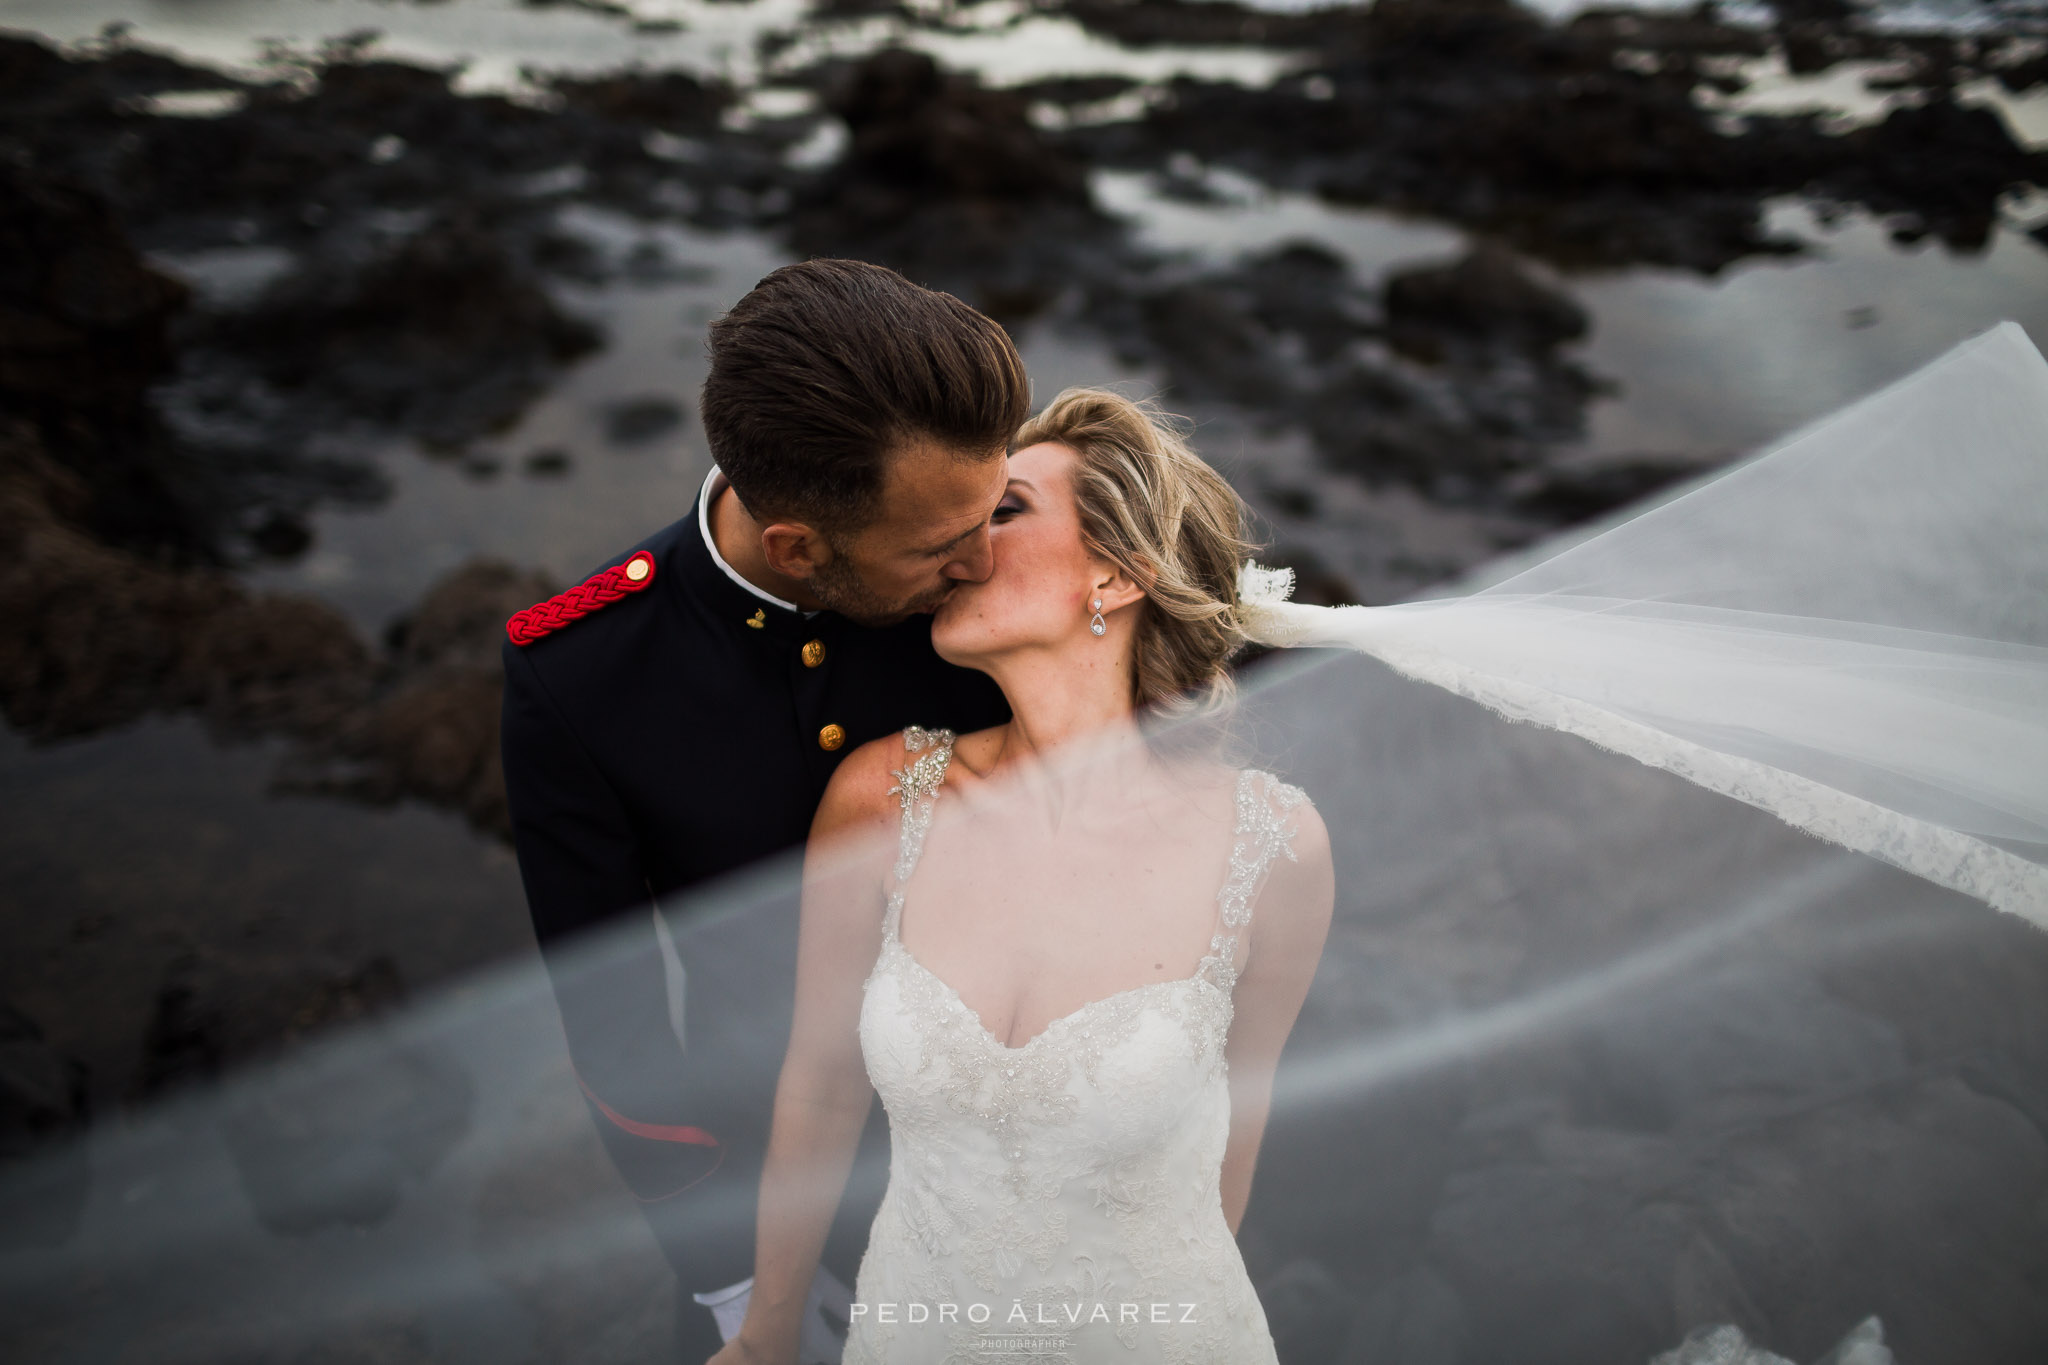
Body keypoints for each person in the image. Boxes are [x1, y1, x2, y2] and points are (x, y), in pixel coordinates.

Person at [708, 390, 1338, 1364]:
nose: (959, 546)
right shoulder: (882, 795)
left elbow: (1234, 1134)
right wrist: (766, 1334)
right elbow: (821, 1087)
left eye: (1003, 511)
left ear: (1117, 575)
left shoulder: (1270, 845)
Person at [498, 259, 1021, 1359]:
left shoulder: (1001, 566)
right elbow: (614, 1020)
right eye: (940, 551)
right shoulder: (582, 676)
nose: (987, 564)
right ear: (797, 549)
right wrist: (726, 1275)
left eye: (996, 506)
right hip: (781, 1180)